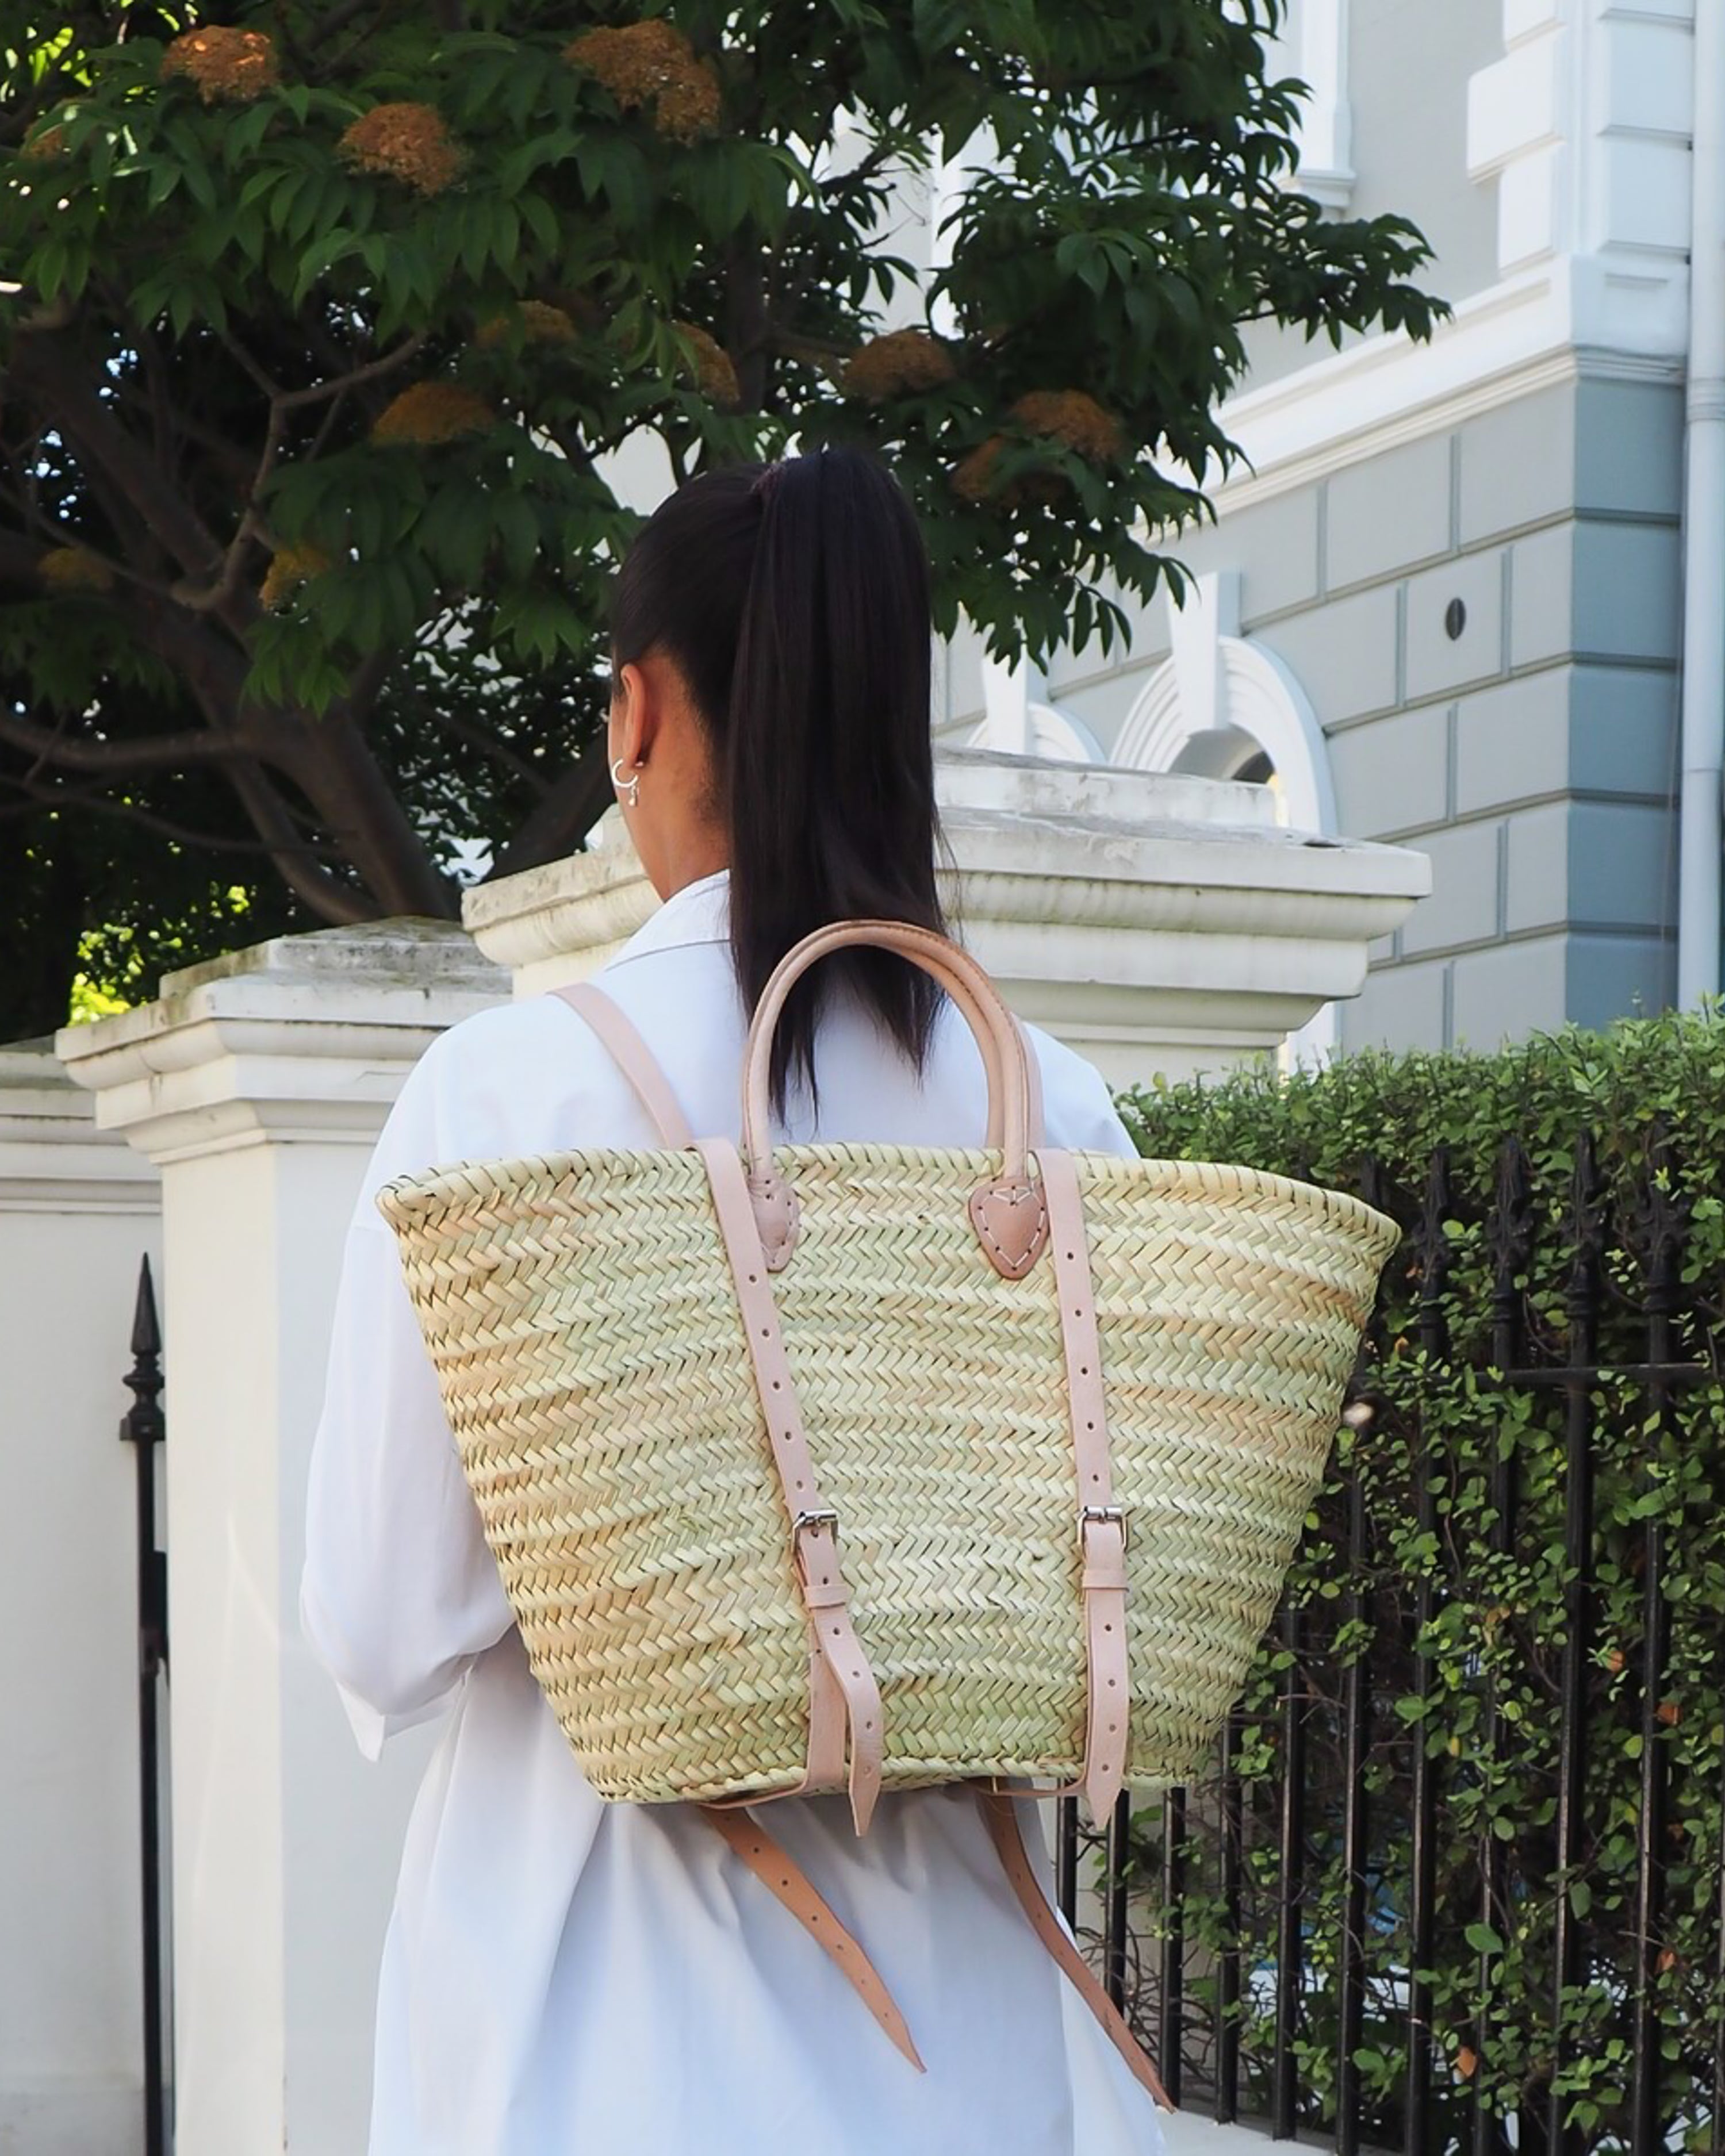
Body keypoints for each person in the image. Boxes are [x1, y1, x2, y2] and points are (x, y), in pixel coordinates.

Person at [301, 448, 1168, 2154]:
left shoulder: (510, 1101)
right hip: (967, 2056)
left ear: (635, 716)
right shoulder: (1050, 1120)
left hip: (597, 2027)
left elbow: (382, 1619)